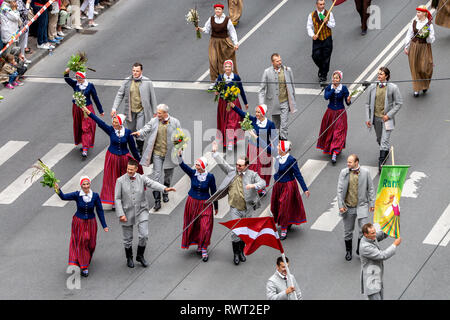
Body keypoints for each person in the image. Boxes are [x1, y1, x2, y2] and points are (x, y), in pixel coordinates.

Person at [210, 140, 266, 265]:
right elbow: (222, 164)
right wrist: (214, 153)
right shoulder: (232, 172)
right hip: (235, 207)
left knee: (244, 231)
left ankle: (241, 251)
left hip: (248, 208)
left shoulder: (252, 175)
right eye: (237, 165)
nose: (238, 167)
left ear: (246, 165)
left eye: (240, 165)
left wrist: (254, 185)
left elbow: (263, 183)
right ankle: (236, 254)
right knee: (236, 231)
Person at [115, 158, 175, 268]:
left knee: (144, 235)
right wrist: (121, 214)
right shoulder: (120, 181)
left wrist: (165, 189)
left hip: (141, 210)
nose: (129, 171)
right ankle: (129, 257)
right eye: (128, 169)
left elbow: (152, 184)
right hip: (126, 211)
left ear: (136, 169)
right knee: (127, 238)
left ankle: (140, 255)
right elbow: (117, 198)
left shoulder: (141, 178)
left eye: (132, 170)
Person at [81, 107, 142, 208]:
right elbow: (100, 123)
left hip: (124, 159)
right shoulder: (111, 130)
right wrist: (89, 113)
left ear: (120, 123)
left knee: (124, 180)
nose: (113, 124)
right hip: (112, 158)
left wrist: (139, 161)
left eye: (116, 122)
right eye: (113, 122)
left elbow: (133, 148)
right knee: (112, 179)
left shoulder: (127, 133)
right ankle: (114, 201)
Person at [54, 176, 109, 278]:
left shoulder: (95, 196)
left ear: (90, 184)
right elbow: (64, 197)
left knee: (91, 244)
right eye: (84, 184)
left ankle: (85, 258)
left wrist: (104, 225)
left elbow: (100, 211)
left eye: (87, 184)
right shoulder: (77, 195)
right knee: (82, 242)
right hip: (79, 222)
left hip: (91, 223)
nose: (86, 186)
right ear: (81, 185)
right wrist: (57, 189)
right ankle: (84, 267)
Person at [132, 104, 181, 212]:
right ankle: (157, 200)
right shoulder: (154, 121)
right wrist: (139, 133)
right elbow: (147, 128)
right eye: (157, 112)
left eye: (159, 113)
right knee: (156, 177)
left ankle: (165, 192)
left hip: (170, 154)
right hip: (157, 154)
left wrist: (179, 148)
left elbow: (180, 136)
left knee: (168, 176)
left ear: (165, 113)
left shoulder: (175, 122)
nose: (157, 114)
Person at [177, 149, 218, 262]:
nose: (196, 167)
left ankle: (203, 247)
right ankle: (197, 244)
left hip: (205, 204)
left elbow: (214, 192)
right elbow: (182, 165)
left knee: (205, 227)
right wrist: (179, 156)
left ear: (204, 166)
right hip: (192, 203)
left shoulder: (210, 177)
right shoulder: (193, 173)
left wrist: (216, 206)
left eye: (198, 165)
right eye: (196, 165)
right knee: (193, 225)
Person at [111, 62, 158, 156]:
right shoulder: (127, 81)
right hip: (130, 111)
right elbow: (120, 94)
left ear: (141, 71)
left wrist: (155, 111)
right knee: (132, 130)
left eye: (137, 71)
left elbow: (152, 97)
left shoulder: (147, 82)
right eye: (133, 71)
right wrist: (114, 108)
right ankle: (133, 146)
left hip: (142, 111)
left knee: (140, 130)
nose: (135, 73)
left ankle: (139, 149)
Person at [230, 103, 276, 195]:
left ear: (263, 113)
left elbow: (274, 137)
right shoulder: (254, 120)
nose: (256, 114)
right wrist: (234, 107)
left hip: (264, 149)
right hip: (253, 148)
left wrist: (274, 150)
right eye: (256, 112)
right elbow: (243, 114)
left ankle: (261, 188)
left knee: (262, 169)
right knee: (253, 168)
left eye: (258, 112)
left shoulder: (270, 124)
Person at [337, 154, 375, 261]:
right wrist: (341, 205)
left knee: (363, 230)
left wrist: (372, 204)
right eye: (348, 162)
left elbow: (371, 189)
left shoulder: (366, 172)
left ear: (356, 162)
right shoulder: (344, 173)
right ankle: (348, 251)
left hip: (361, 206)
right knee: (348, 231)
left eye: (350, 162)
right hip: (348, 207)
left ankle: (359, 249)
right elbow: (339, 190)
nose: (347, 163)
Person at [364, 67, 403, 172]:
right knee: (379, 139)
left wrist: (389, 115)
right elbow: (367, 104)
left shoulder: (393, 88)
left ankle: (381, 163)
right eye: (378, 73)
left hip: (387, 120)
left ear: (386, 76)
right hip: (376, 118)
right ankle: (385, 151)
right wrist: (368, 118)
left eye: (381, 74)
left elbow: (399, 103)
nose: (379, 75)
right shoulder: (372, 87)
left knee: (384, 140)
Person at [271, 140, 310, 240]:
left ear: (283, 149)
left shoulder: (291, 160)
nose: (277, 148)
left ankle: (284, 229)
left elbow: (298, 174)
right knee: (277, 206)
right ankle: (286, 221)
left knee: (284, 206)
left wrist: (305, 189)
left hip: (288, 186)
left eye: (279, 146)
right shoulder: (278, 157)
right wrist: (254, 135)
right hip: (278, 185)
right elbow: (265, 147)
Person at [196, 3, 239, 89]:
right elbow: (207, 30)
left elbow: (232, 31)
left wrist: (235, 43)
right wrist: (199, 29)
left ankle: (226, 80)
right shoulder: (211, 19)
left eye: (219, 9)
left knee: (224, 62)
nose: (217, 11)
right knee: (213, 61)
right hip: (214, 42)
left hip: (224, 42)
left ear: (222, 10)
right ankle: (214, 81)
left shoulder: (227, 20)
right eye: (216, 9)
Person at [64, 67, 104, 158]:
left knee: (86, 127)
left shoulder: (90, 86)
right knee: (79, 126)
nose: (78, 79)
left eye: (80, 77)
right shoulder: (75, 84)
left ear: (84, 77)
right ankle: (83, 142)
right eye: (77, 77)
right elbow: (67, 79)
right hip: (76, 108)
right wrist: (66, 73)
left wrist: (100, 110)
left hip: (87, 109)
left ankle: (85, 148)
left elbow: (95, 98)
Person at [258, 53, 297, 141]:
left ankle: (283, 142)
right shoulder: (267, 72)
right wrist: (261, 105)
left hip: (285, 102)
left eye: (280, 60)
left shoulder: (287, 70)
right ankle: (276, 142)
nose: (280, 62)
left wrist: (293, 99)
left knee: (284, 125)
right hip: (273, 103)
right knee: (275, 125)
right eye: (277, 61)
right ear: (272, 62)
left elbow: (292, 85)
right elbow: (261, 89)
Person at [316, 70, 351, 164]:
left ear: (340, 79)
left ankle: (335, 152)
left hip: (340, 113)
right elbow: (326, 97)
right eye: (334, 77)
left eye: (337, 78)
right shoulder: (328, 87)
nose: (335, 79)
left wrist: (348, 100)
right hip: (330, 113)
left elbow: (348, 103)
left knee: (338, 132)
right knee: (330, 131)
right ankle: (330, 147)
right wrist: (333, 88)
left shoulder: (343, 88)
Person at [360, 223, 402, 300]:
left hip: (376, 275)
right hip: (372, 280)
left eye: (375, 232)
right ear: (365, 234)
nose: (375, 234)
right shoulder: (365, 247)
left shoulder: (370, 237)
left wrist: (392, 228)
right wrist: (394, 244)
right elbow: (383, 255)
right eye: (373, 233)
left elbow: (382, 234)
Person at [215, 59, 248, 151]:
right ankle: (227, 141)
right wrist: (216, 92)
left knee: (232, 122)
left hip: (234, 103)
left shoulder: (236, 77)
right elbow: (217, 89)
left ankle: (231, 141)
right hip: (223, 103)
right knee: (225, 122)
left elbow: (241, 90)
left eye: (229, 66)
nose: (227, 68)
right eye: (226, 66)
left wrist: (245, 102)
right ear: (224, 68)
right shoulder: (220, 78)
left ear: (232, 68)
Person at [404, 6, 435, 98]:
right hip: (413, 47)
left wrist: (428, 35)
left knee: (424, 68)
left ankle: (425, 84)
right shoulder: (414, 23)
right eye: (417, 12)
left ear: (424, 13)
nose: (417, 14)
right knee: (414, 68)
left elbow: (431, 40)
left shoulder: (429, 25)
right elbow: (408, 35)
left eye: (419, 12)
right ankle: (416, 89)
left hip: (424, 47)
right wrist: (406, 46)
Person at [306, 0, 335, 83]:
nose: (322, 6)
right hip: (317, 39)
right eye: (320, 4)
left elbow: (333, 25)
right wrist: (312, 35)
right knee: (315, 56)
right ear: (317, 5)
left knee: (326, 58)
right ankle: (322, 68)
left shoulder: (329, 13)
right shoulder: (311, 15)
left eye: (323, 4)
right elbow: (309, 27)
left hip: (327, 39)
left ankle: (323, 75)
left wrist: (327, 22)